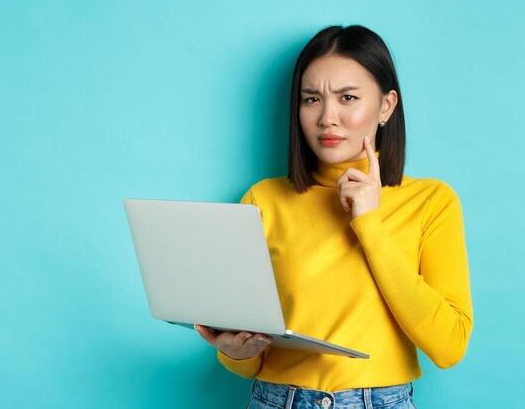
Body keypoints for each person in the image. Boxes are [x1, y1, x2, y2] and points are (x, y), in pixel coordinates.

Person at [194, 25, 473, 409]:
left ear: (387, 106)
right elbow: (249, 361)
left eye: (348, 97)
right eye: (312, 99)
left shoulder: (431, 201)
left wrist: (369, 224)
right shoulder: (264, 200)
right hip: (277, 400)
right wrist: (235, 352)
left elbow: (449, 345)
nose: (328, 117)